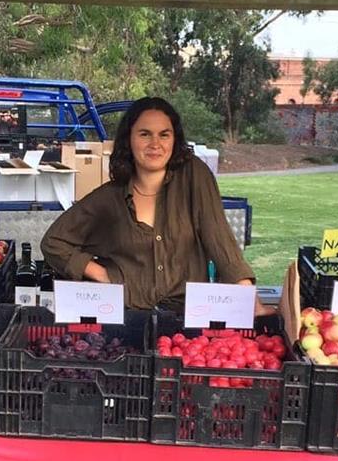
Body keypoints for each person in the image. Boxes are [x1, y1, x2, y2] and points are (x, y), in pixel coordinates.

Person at [41, 96, 273, 315]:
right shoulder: (109, 198)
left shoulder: (193, 175)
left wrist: (248, 299)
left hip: (187, 318)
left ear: (174, 139)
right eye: (145, 134)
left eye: (164, 135)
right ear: (129, 139)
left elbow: (219, 237)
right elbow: (53, 243)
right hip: (126, 318)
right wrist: (102, 274)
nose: (155, 144)